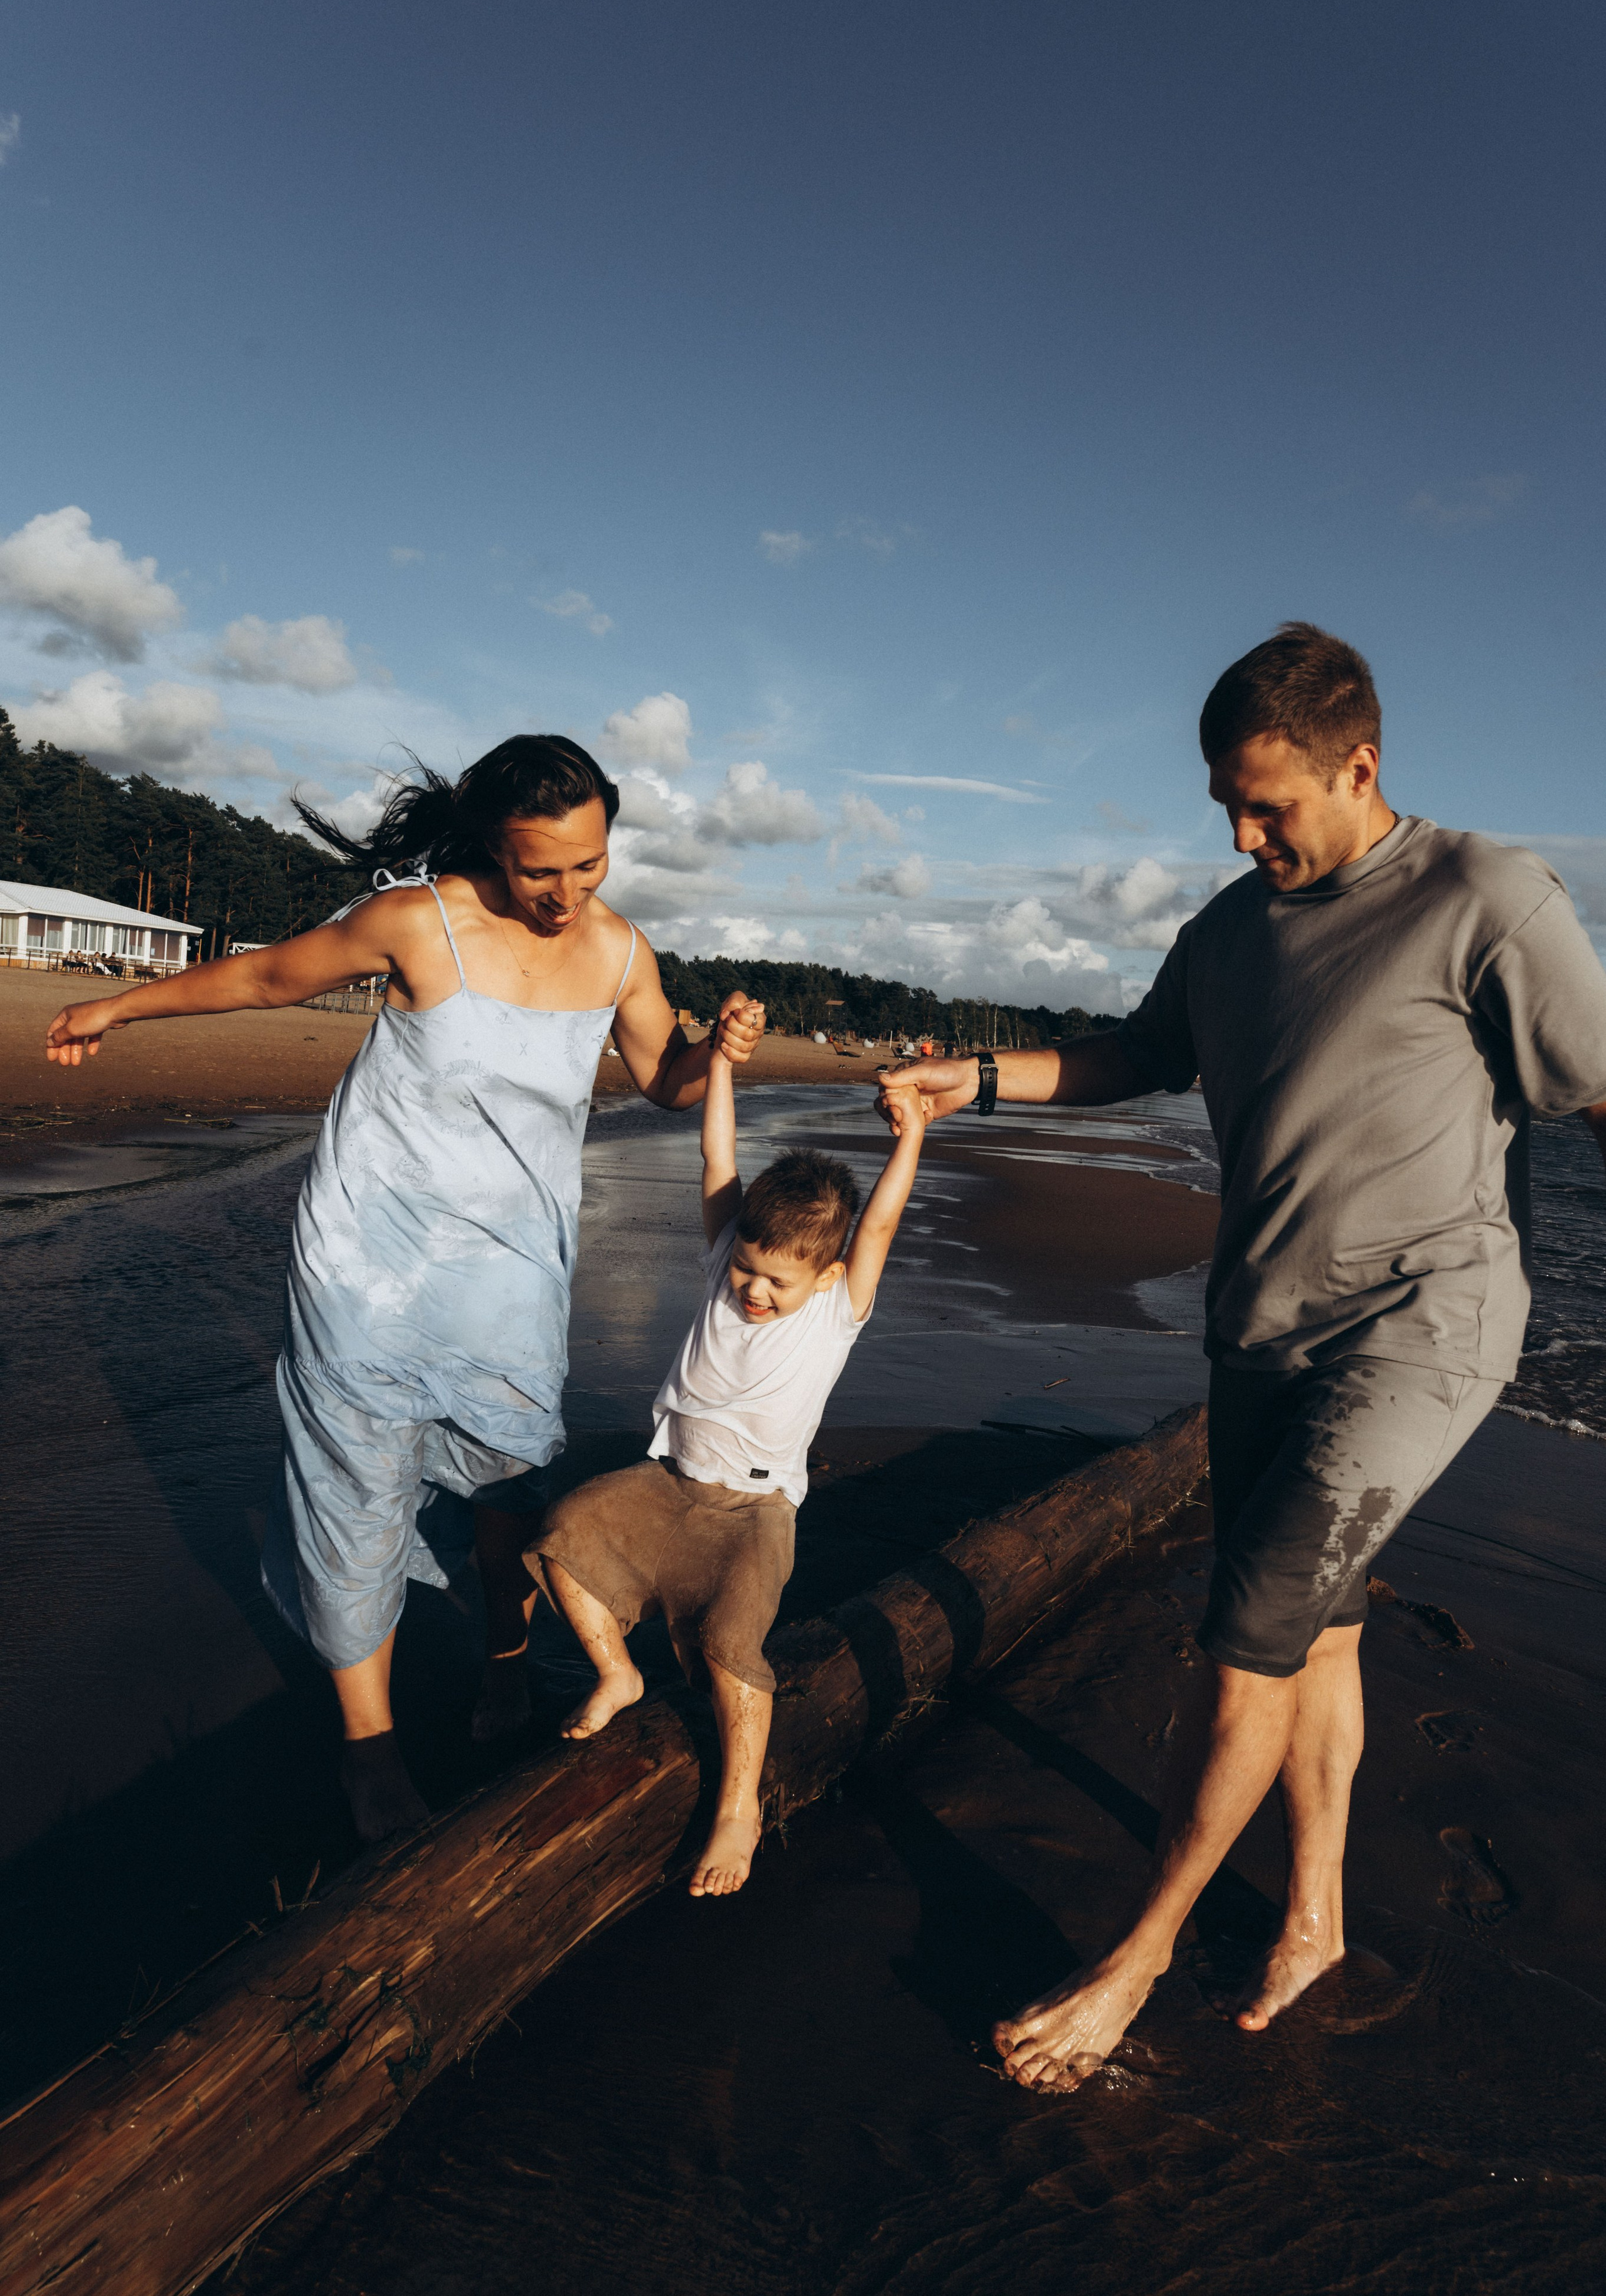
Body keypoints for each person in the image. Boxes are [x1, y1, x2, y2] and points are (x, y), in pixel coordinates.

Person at [879, 622, 1606, 2088]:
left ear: (1361, 764)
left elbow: (1593, 1096)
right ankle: (1313, 1919)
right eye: (1224, 801)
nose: (1239, 829)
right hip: (1260, 1329)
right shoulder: (1225, 927)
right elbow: (1136, 1058)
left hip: (1425, 1319)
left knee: (1245, 1634)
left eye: (1267, 803)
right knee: (1319, 1627)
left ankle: (1133, 1954)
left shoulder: (1484, 896)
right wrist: (973, 1078)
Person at [46, 734, 763, 1841]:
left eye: (590, 865)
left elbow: (663, 1078)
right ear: (491, 846)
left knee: (513, 1493)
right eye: (540, 870)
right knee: (353, 1496)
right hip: (364, 1267)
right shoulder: (419, 921)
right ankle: (369, 1753)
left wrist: (715, 1050)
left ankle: (506, 1662)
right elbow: (264, 973)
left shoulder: (622, 954)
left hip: (513, 1276)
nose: (566, 893)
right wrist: (118, 1007)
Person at [530, 996, 928, 1896]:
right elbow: (719, 1157)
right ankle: (618, 1676)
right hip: (665, 1482)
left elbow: (880, 1226)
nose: (752, 1290)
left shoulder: (836, 1306)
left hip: (756, 1509)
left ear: (823, 1278)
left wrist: (912, 1137)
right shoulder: (727, 1255)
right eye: (746, 1268)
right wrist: (720, 1064)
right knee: (561, 1538)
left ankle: (738, 1808)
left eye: (775, 1282)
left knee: (730, 1646)